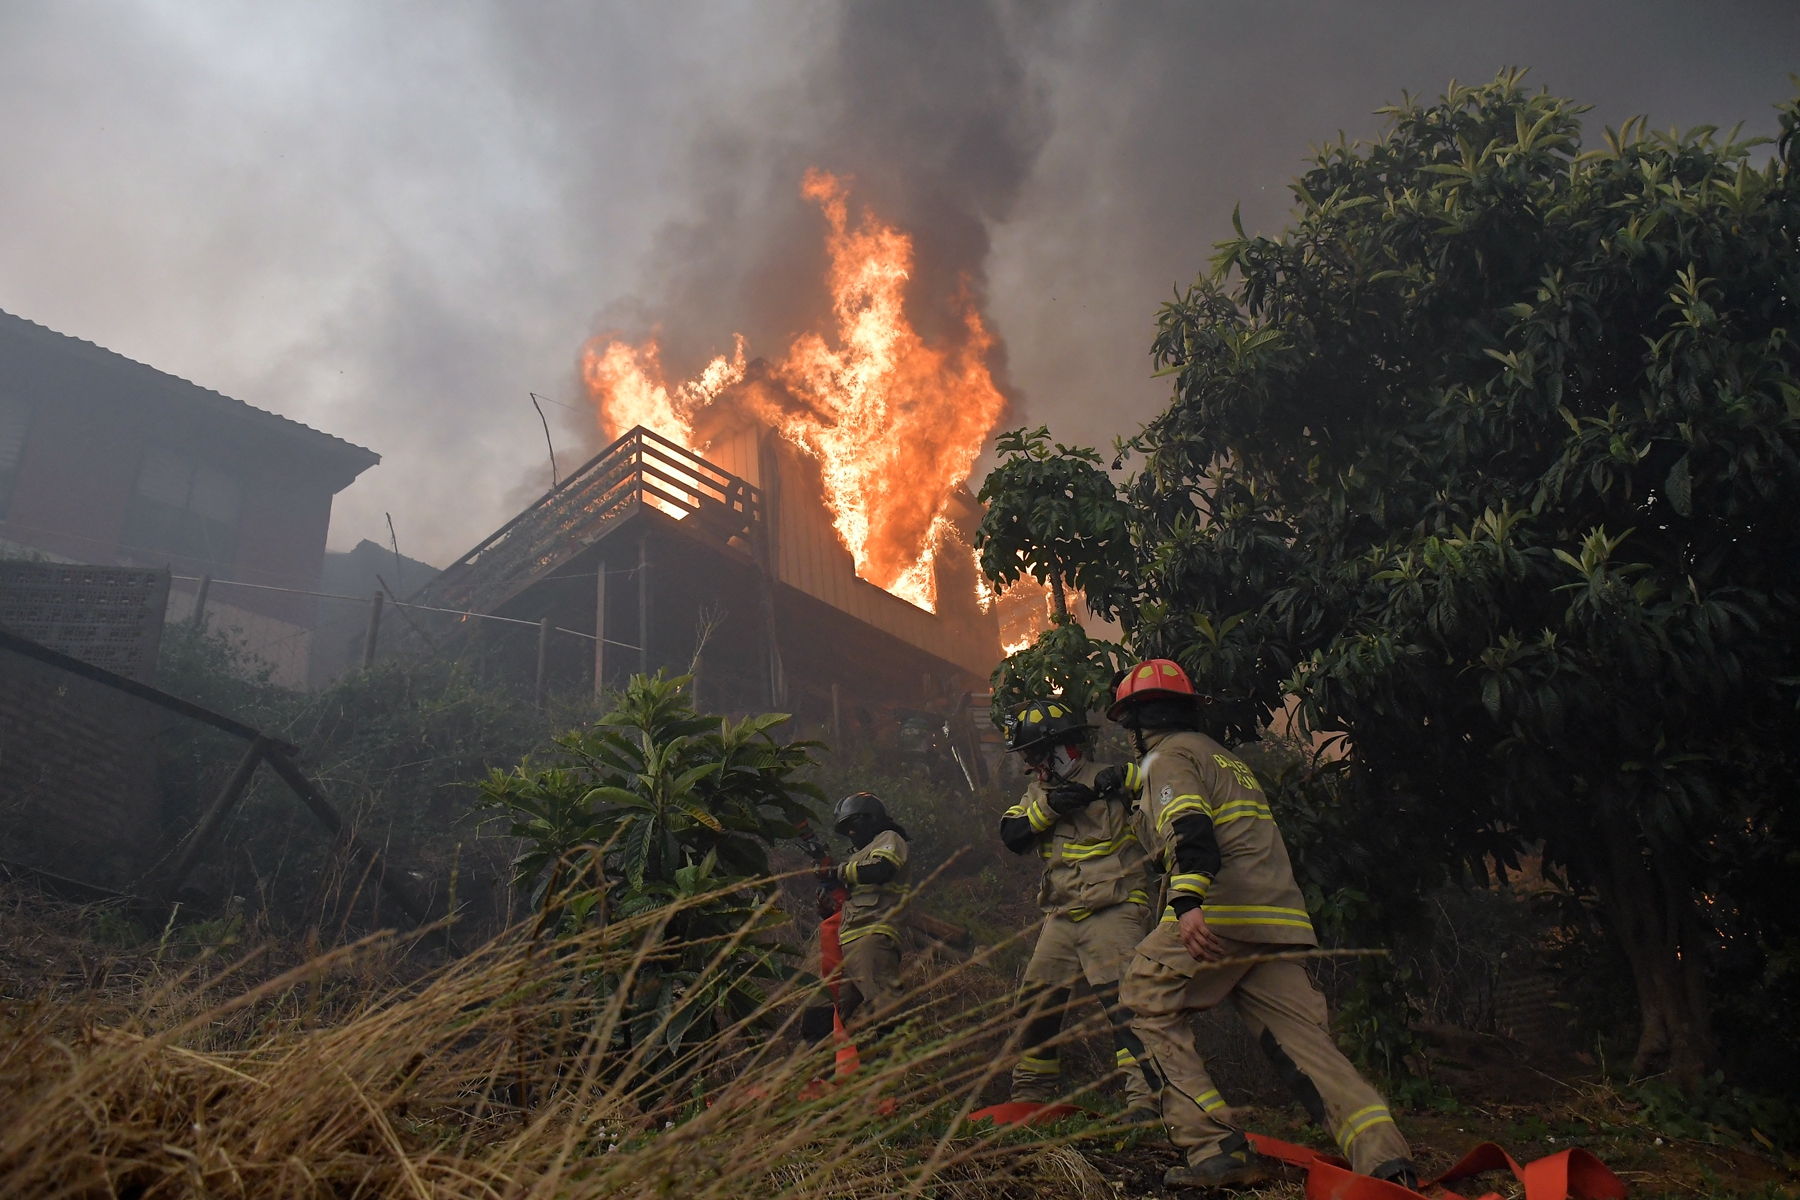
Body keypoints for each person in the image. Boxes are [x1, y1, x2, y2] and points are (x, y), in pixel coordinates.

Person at [1112, 659, 1419, 1191]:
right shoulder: (1223, 758)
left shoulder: (1167, 757)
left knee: (1143, 997)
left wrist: (1186, 902)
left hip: (1221, 910)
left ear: (1139, 720)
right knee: (1304, 1043)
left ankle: (1213, 1147)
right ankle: (1387, 1161)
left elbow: (1189, 829)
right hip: (1276, 917)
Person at [997, 698, 1161, 1122]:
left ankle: (1147, 1102)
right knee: (1036, 1008)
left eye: (1034, 753)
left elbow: (1163, 778)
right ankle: (1030, 1098)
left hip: (1114, 908)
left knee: (1127, 1008)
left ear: (1061, 747)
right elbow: (1012, 835)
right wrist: (1051, 807)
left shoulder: (1110, 778)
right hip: (1062, 917)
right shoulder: (1037, 794)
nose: (1030, 764)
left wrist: (1123, 777)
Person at [820, 791, 911, 1036]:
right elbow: (853, 898)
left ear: (870, 818)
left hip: (872, 936)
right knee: (824, 1016)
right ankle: (821, 1058)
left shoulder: (889, 838)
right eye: (846, 829)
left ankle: (897, 1058)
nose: (851, 832)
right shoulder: (858, 856)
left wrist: (836, 872)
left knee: (887, 1013)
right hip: (846, 943)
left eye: (853, 825)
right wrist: (829, 902)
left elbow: (881, 870)